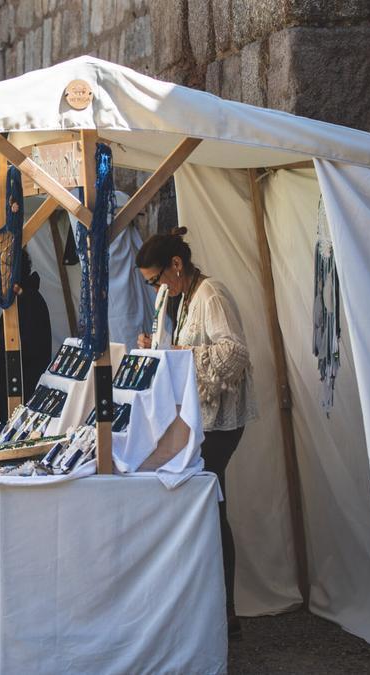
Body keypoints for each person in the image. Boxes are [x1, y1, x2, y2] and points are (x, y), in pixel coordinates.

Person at [135, 226, 257, 635]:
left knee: (207, 499)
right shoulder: (181, 296)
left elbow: (235, 353)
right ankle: (215, 606)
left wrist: (183, 355)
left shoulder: (211, 295)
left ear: (176, 264)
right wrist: (157, 344)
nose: (156, 287)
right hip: (200, 418)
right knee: (208, 502)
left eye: (157, 279)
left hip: (222, 420)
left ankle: (224, 609)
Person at [0, 249, 53, 422]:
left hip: (23, 401)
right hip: (12, 401)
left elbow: (30, 348)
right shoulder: (18, 300)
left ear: (10, 269)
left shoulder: (29, 300)